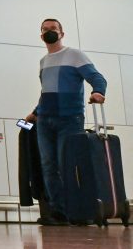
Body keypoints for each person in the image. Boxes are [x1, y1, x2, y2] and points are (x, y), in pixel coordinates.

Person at [23, 18, 106, 226]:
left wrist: (98, 92)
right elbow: (47, 92)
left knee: (67, 164)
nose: (49, 32)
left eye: (53, 29)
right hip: (45, 121)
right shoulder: (43, 61)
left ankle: (77, 211)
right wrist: (35, 113)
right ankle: (58, 212)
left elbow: (98, 78)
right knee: (48, 165)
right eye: (45, 29)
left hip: (70, 119)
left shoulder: (74, 55)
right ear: (41, 35)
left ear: (62, 33)